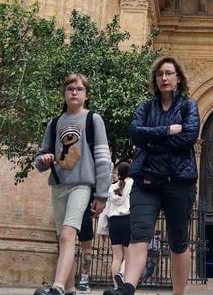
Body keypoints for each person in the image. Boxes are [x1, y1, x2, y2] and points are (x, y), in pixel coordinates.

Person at [104, 56, 200, 295]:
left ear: (178, 79)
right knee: (139, 235)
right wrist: (166, 131)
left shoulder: (189, 106)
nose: (164, 78)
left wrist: (151, 142)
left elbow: (188, 138)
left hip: (178, 182)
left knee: (178, 241)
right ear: (155, 80)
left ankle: (178, 293)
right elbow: (136, 134)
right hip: (146, 181)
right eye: (160, 74)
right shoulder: (145, 108)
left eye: (169, 73)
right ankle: (127, 288)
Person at [34, 74, 113, 295]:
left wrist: (101, 194)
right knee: (63, 239)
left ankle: (57, 287)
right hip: (59, 185)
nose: (74, 92)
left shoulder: (93, 119)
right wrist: (44, 160)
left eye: (79, 89)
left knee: (69, 234)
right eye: (70, 89)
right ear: (64, 94)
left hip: (82, 185)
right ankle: (69, 289)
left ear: (87, 95)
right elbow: (40, 158)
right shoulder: (54, 123)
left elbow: (103, 158)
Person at [103, 161, 133, 289]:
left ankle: (116, 287)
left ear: (118, 173)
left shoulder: (112, 187)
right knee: (129, 254)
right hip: (127, 219)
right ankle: (122, 276)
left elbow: (107, 207)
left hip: (113, 222)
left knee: (116, 256)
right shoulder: (132, 183)